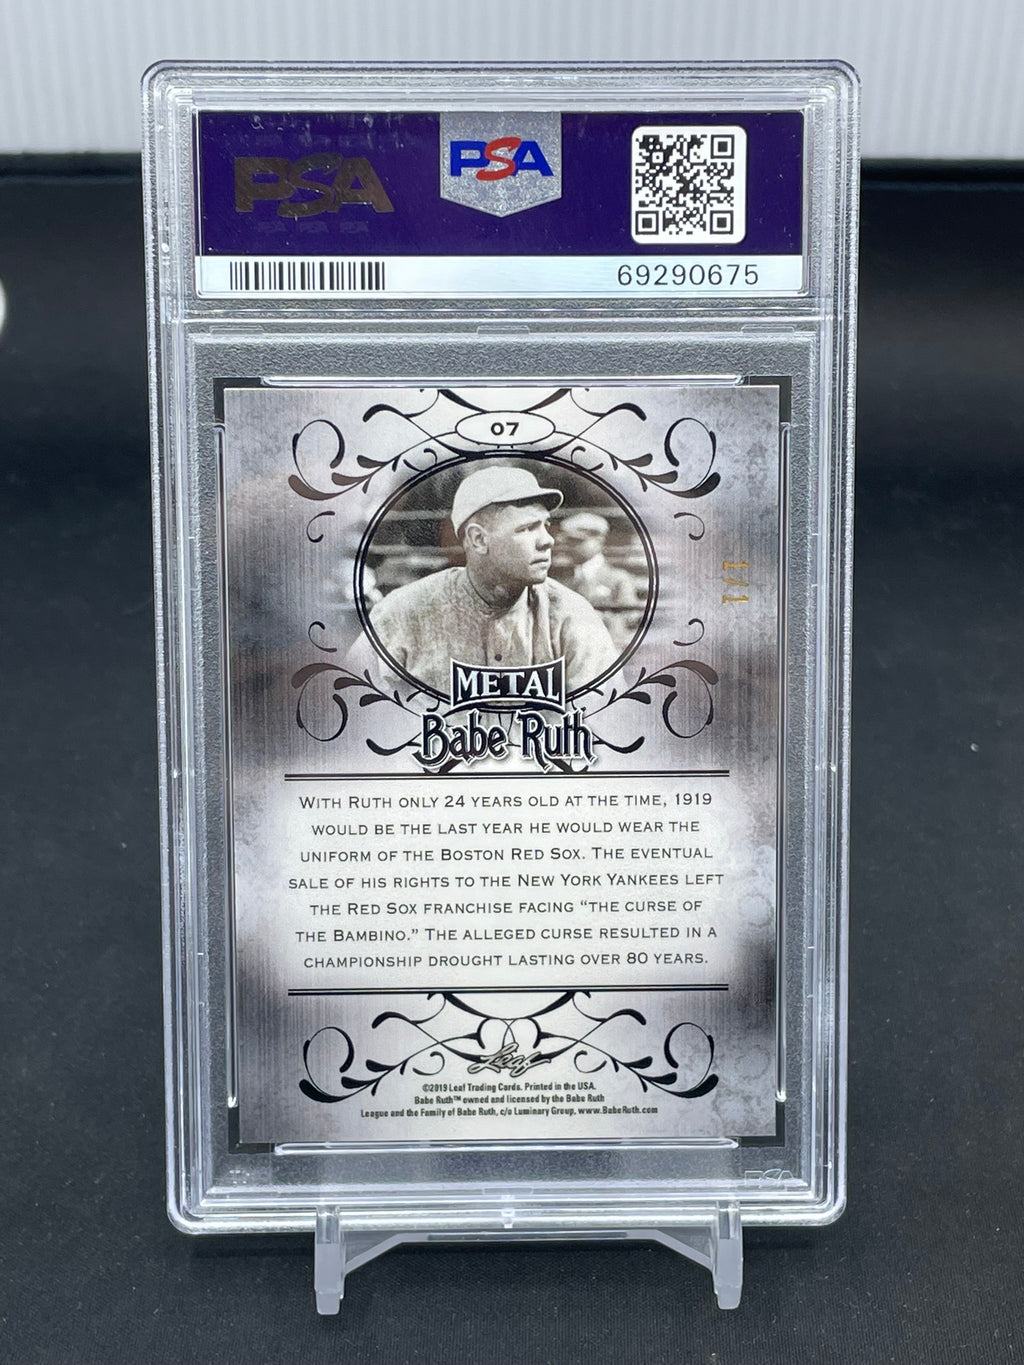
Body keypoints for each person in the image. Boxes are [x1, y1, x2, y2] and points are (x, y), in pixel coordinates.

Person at [366, 465, 619, 696]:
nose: (547, 540)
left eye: (545, 525)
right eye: (527, 528)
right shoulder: (403, 611)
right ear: (478, 540)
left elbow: (607, 718)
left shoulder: (572, 616)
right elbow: (357, 702)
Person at [556, 511, 643, 647]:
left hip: (608, 647)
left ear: (599, 540)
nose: (570, 547)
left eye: (578, 541)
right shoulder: (565, 580)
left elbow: (629, 618)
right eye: (568, 541)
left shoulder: (618, 579)